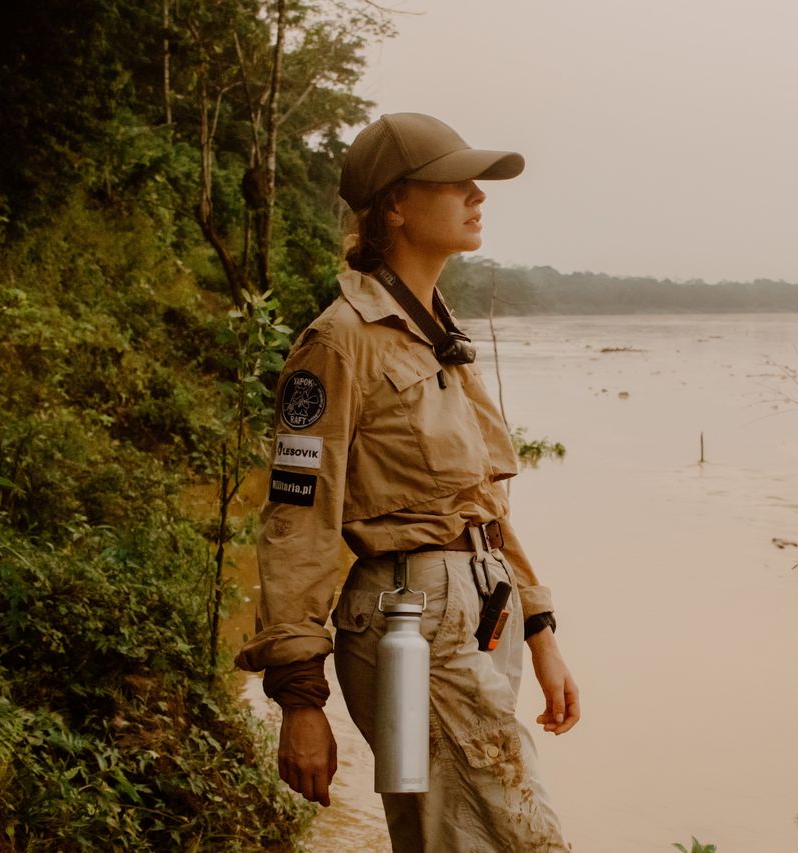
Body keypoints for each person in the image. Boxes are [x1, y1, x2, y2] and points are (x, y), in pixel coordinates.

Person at [235, 112, 579, 852]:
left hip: (482, 611)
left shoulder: (437, 332)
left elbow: (479, 499)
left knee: (456, 840)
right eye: (455, 183)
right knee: (525, 839)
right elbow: (298, 516)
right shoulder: (339, 340)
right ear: (395, 204)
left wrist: (540, 625)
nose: (478, 195)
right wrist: (300, 697)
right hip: (409, 618)